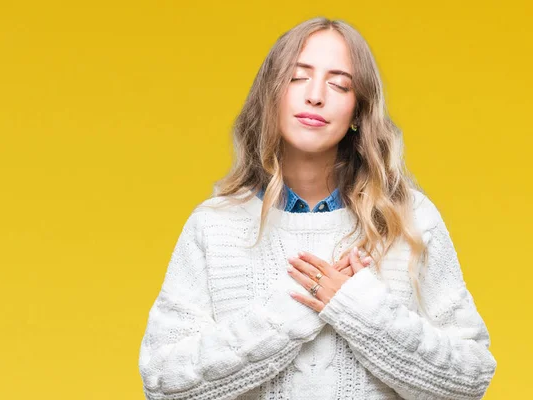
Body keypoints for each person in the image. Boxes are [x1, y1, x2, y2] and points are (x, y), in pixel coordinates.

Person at [138, 16, 497, 400]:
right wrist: (289, 314)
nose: (315, 95)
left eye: (340, 84)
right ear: (270, 92)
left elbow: (470, 380)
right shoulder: (214, 225)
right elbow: (163, 384)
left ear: (359, 110)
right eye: (297, 77)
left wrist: (361, 311)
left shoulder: (409, 219)